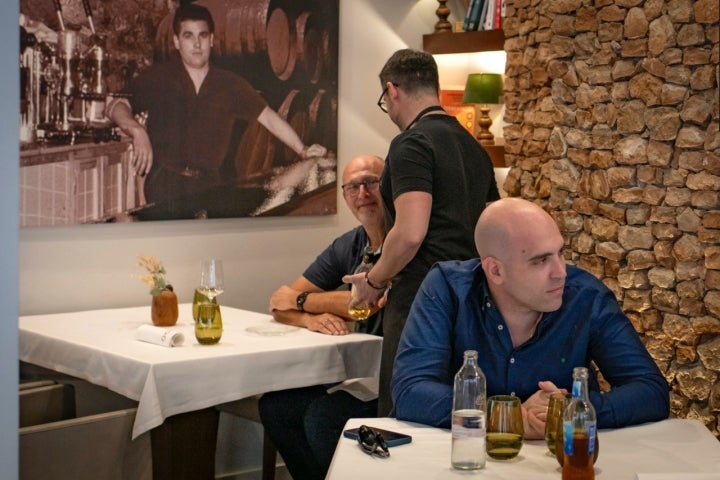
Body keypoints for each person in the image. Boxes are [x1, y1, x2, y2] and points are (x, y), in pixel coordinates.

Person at [391, 197, 670, 439]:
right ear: (495, 271)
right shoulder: (447, 288)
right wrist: (508, 417)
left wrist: (566, 411)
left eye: (560, 253)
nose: (560, 271)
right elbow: (411, 391)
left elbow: (651, 392)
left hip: (559, 462)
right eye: (540, 260)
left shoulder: (585, 296)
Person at [343, 48, 500, 416]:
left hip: (421, 301)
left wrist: (374, 280)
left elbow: (410, 232)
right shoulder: (475, 148)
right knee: (457, 412)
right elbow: (493, 226)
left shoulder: (411, 143)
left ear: (391, 90)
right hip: (473, 299)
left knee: (405, 413)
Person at [106, 3, 326, 219]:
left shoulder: (229, 84)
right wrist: (136, 130)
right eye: (188, 36)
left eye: (202, 35)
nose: (197, 44)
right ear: (176, 41)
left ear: (211, 40)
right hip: (164, 185)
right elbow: (116, 104)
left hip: (209, 188)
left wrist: (302, 149)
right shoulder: (159, 78)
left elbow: (268, 117)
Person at [259, 154, 386, 480]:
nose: (363, 194)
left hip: (395, 377)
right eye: (353, 187)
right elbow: (279, 302)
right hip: (358, 373)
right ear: (344, 195)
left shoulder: (407, 243)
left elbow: (368, 303)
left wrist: (303, 301)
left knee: (322, 417)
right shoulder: (349, 244)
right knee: (275, 407)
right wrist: (307, 318)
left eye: (372, 182)